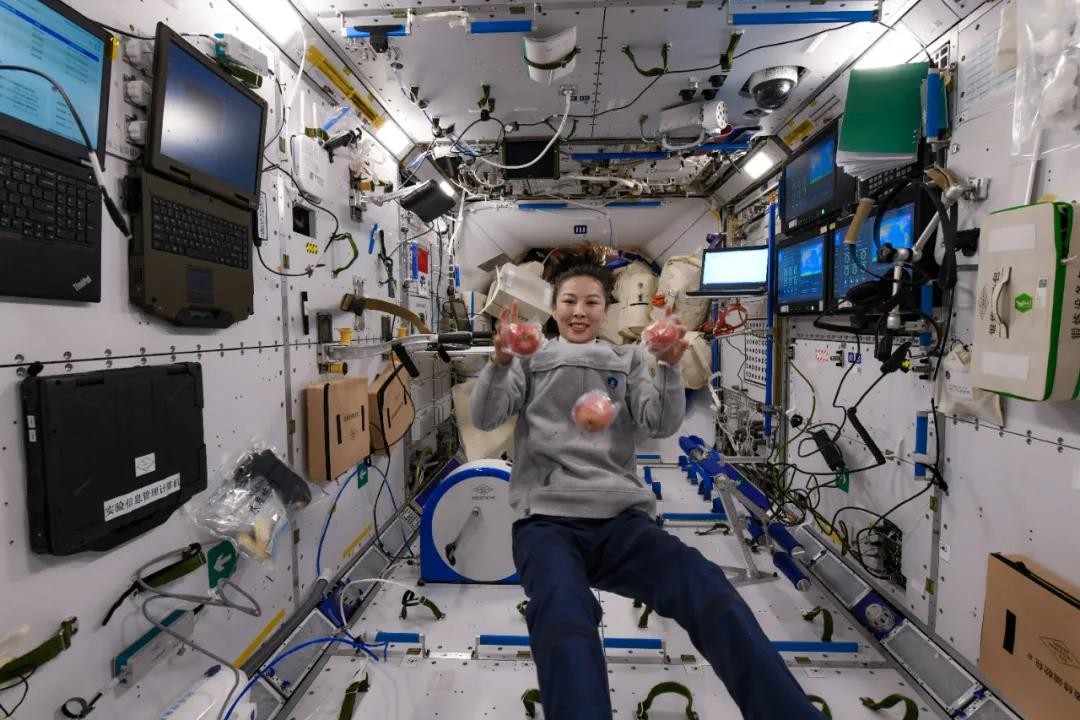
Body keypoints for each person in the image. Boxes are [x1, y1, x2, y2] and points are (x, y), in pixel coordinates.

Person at [470, 256, 825, 719]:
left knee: (708, 587)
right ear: (553, 306)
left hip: (622, 522)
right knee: (564, 617)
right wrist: (499, 362)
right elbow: (485, 417)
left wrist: (669, 368)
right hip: (546, 522)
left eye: (591, 302)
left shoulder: (629, 359)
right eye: (569, 301)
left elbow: (660, 423)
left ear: (606, 309)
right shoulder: (530, 359)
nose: (579, 312)